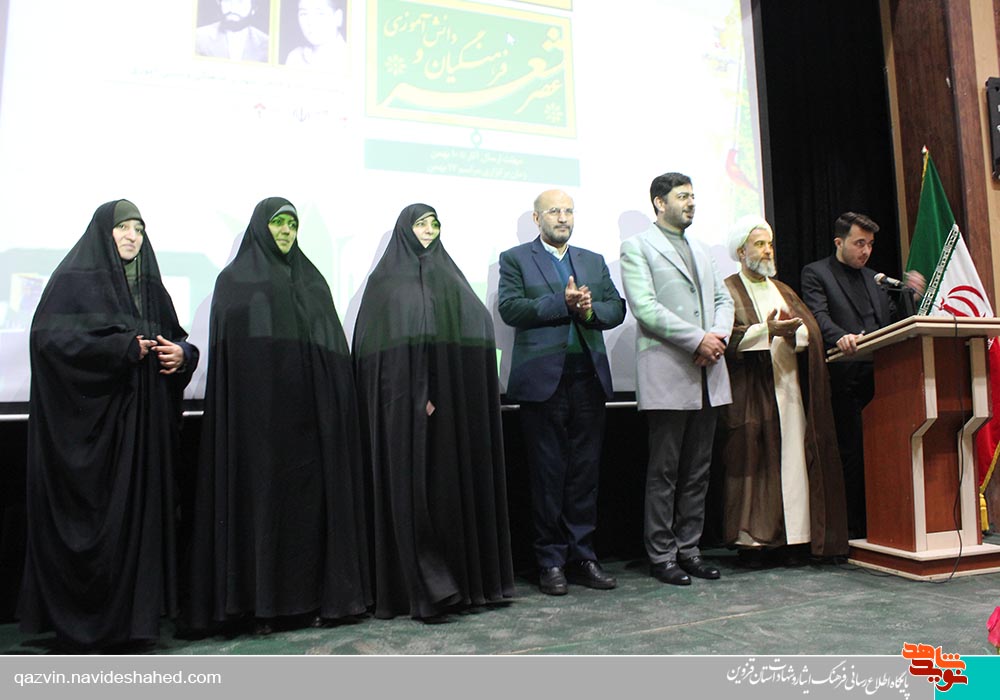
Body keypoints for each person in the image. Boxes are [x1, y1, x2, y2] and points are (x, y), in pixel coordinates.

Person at [18, 200, 198, 650]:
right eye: (123, 228)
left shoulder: (151, 287)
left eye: (139, 229)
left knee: (141, 530)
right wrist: (118, 349)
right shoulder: (72, 281)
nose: (132, 236)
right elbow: (49, 342)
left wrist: (183, 355)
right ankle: (88, 626)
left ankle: (136, 624)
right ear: (105, 233)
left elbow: (177, 338)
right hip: (96, 444)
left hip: (144, 439)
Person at [188, 197, 371, 634]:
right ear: (260, 228)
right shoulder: (234, 281)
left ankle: (308, 602)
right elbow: (236, 362)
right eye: (278, 223)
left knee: (306, 514)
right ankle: (260, 607)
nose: (286, 231)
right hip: (259, 429)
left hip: (310, 427)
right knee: (262, 512)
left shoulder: (312, 280)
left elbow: (331, 349)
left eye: (292, 224)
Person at [353, 203, 514, 620]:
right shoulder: (385, 283)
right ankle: (417, 591)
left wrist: (445, 388)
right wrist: (413, 393)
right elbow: (376, 352)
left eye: (434, 224)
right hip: (403, 417)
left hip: (449, 417)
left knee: (447, 496)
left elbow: (476, 330)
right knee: (411, 497)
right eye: (421, 224)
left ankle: (460, 587)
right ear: (404, 230)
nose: (428, 230)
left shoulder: (451, 279)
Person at [498, 190, 626, 596]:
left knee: (584, 476)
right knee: (547, 476)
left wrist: (588, 311)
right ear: (537, 219)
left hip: (588, 379)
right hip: (543, 383)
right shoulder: (515, 258)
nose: (563, 218)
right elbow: (510, 308)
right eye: (554, 211)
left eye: (568, 211)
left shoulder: (592, 260)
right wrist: (562, 302)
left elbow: (616, 308)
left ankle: (583, 557)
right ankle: (550, 561)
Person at [619, 172, 733, 586]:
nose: (691, 203)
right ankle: (662, 555)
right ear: (659, 202)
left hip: (708, 370)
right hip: (669, 371)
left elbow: (722, 299)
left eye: (693, 196)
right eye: (683, 196)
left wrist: (717, 337)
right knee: (664, 471)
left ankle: (690, 549)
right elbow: (645, 308)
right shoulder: (637, 246)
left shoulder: (702, 248)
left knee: (698, 471)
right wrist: (698, 339)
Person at [717, 216, 848, 564]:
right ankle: (753, 545)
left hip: (789, 390)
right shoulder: (727, 289)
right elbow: (725, 338)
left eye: (770, 244)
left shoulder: (783, 290)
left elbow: (811, 331)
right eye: (759, 244)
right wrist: (767, 330)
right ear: (741, 251)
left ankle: (794, 540)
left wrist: (793, 334)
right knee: (754, 466)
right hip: (751, 394)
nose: (767, 251)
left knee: (793, 464)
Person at [800, 212, 925, 539]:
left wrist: (910, 296)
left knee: (887, 453)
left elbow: (892, 323)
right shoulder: (817, 273)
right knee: (853, 455)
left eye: (869, 244)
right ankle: (855, 530)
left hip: (884, 379)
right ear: (839, 242)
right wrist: (840, 336)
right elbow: (818, 317)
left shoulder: (875, 279)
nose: (866, 251)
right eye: (859, 243)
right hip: (846, 378)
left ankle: (885, 524)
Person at [195, 0, 269, 62]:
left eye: (240, 2)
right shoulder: (198, 36)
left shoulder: (267, 44)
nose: (232, 7)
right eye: (227, 1)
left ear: (254, 8)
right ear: (219, 4)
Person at [284, 0, 347, 71]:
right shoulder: (294, 58)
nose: (310, 22)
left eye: (320, 13)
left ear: (338, 17)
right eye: (304, 14)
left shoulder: (351, 60)